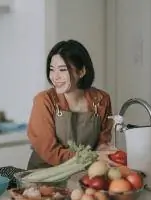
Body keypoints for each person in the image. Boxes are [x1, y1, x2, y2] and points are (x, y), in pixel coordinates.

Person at [27, 39, 115, 170]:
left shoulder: (101, 100)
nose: (55, 77)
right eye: (52, 69)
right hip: (44, 177)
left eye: (62, 70)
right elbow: (49, 151)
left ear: (81, 72)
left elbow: (102, 142)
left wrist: (106, 152)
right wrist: (93, 157)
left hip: (83, 175)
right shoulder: (44, 101)